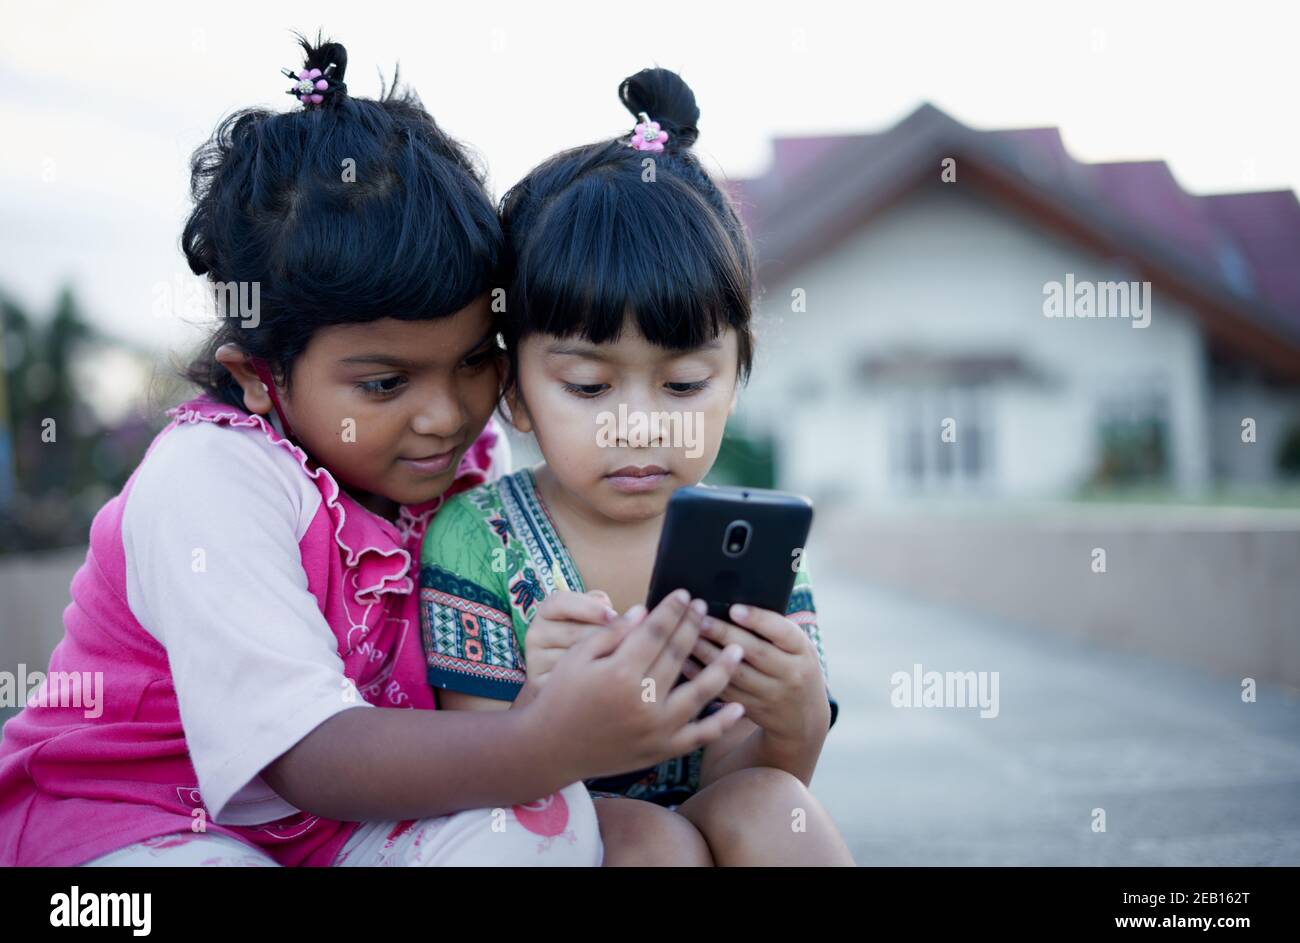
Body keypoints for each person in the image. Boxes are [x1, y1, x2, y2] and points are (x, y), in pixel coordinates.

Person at [0, 38, 745, 868]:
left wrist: (553, 697)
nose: (444, 416)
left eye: (473, 362)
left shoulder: (468, 472)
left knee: (551, 825)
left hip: (339, 829)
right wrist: (548, 741)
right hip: (132, 828)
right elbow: (306, 754)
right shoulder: (210, 481)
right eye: (386, 385)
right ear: (261, 376)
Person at [420, 68, 853, 866]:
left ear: (735, 382)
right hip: (550, 828)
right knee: (649, 837)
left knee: (772, 806)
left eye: (685, 384)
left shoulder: (749, 543)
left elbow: (757, 783)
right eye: (588, 386)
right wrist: (542, 709)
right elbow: (476, 790)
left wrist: (794, 716)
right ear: (515, 392)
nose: (637, 424)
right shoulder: (477, 540)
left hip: (724, 813)